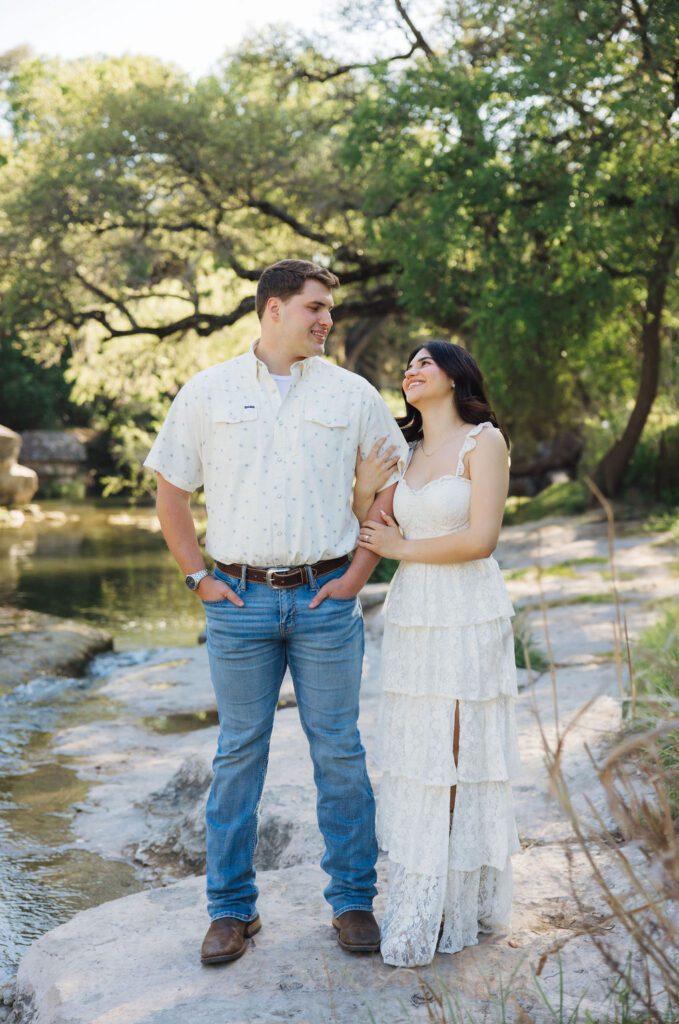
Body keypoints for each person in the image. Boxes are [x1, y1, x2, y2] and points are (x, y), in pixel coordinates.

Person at [143, 259, 408, 964]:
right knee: (237, 757)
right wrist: (196, 576)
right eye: (315, 308)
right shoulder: (208, 391)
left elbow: (387, 489)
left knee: (341, 755)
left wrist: (357, 575)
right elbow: (171, 492)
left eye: (329, 309)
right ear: (272, 309)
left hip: (326, 601)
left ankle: (353, 901)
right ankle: (231, 911)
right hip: (237, 602)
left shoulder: (352, 395)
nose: (326, 320)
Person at [355, 340, 520, 967]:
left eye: (425, 362)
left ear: (454, 377)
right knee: (421, 751)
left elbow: (481, 539)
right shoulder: (405, 454)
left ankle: (453, 900)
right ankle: (419, 893)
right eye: (409, 365)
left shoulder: (485, 443)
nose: (411, 370)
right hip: (415, 614)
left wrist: (400, 552)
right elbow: (372, 531)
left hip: (466, 609)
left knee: (458, 747)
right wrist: (364, 490)